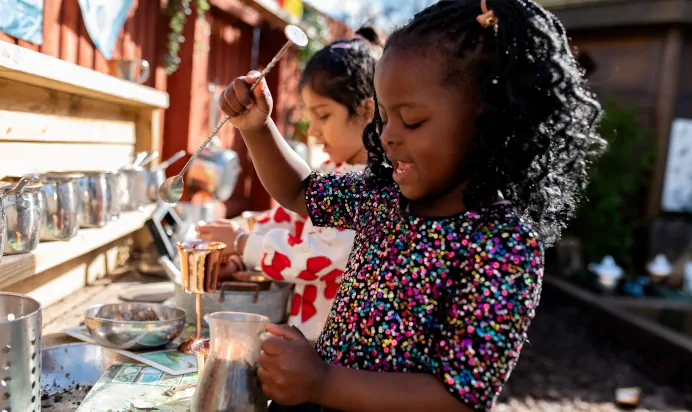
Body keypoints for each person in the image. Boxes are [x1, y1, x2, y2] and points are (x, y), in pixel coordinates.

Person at [218, 0, 605, 410]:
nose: (387, 137)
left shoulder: (502, 245)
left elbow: (459, 397)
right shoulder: (384, 197)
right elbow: (300, 192)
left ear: (492, 119)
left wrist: (322, 382)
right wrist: (258, 130)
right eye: (384, 118)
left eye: (413, 120)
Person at [196, 27, 383, 342]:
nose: (313, 132)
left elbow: (315, 258)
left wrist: (242, 242)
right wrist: (237, 249)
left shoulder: (371, 189)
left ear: (366, 110)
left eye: (323, 116)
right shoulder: (335, 170)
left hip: (335, 354)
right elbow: (287, 217)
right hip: (307, 338)